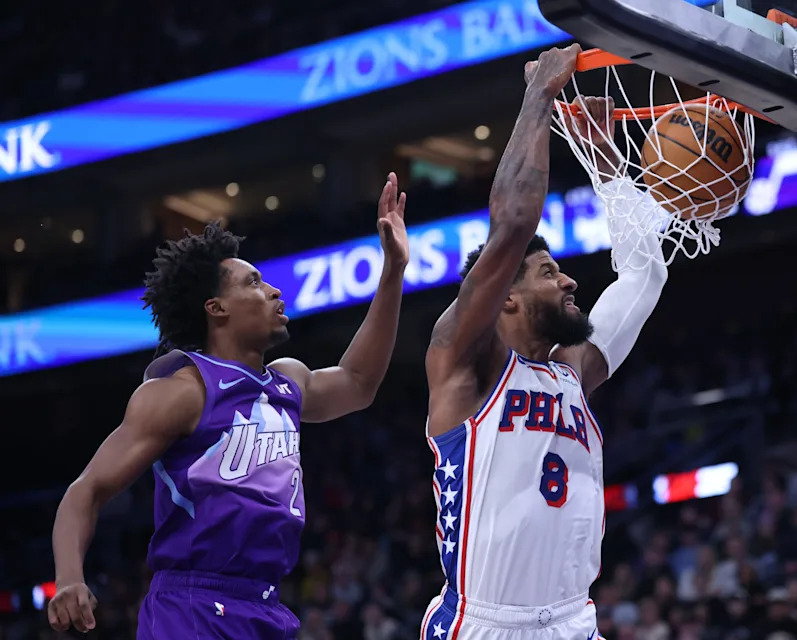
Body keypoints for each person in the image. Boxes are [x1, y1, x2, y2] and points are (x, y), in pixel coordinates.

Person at [47, 174, 410, 638]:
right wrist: (69, 578)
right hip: (191, 606)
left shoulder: (288, 381)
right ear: (216, 308)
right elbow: (87, 490)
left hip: (265, 605)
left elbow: (359, 382)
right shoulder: (183, 391)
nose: (275, 292)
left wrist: (394, 268)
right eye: (255, 283)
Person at [420, 44, 669, 639]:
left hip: (573, 623)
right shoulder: (465, 362)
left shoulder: (571, 372)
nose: (569, 280)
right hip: (485, 624)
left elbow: (643, 274)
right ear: (505, 293)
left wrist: (607, 166)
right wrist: (540, 95)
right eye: (549, 273)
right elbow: (512, 224)